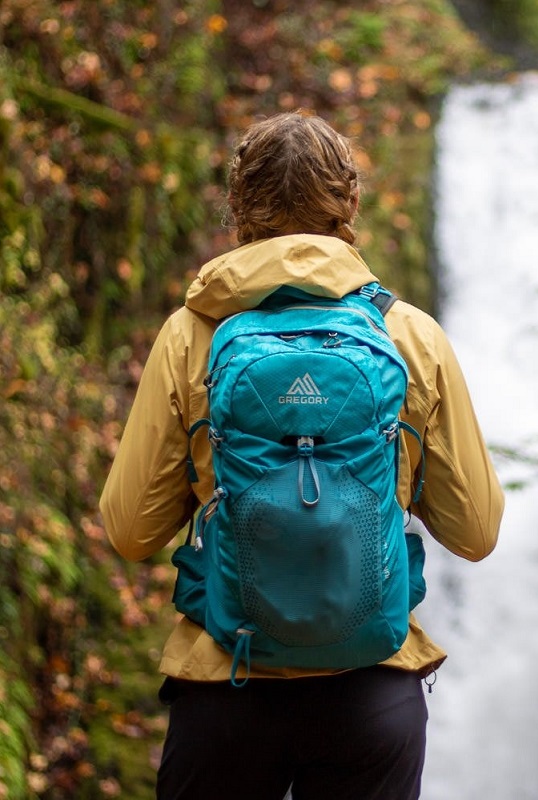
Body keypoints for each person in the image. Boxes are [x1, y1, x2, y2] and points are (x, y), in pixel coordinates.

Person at [99, 110, 504, 800]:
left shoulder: (191, 336)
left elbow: (132, 531)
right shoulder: (408, 336)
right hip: (371, 693)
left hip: (226, 685)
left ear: (237, 206)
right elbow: (475, 532)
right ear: (349, 203)